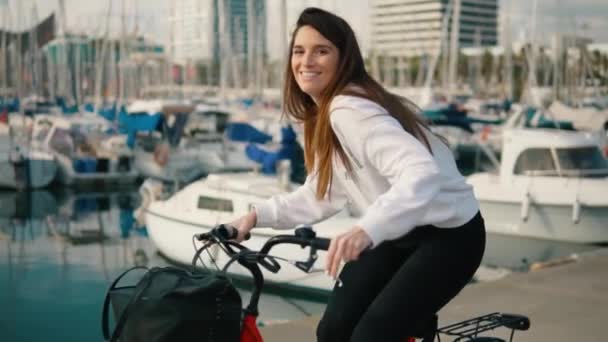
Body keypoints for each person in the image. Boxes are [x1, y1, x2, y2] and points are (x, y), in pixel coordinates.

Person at [228, 7, 486, 342]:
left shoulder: (349, 109)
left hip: (449, 235)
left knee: (372, 335)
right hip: (397, 231)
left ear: (343, 59)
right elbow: (322, 194)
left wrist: (366, 228)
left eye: (322, 51)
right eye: (299, 51)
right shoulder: (324, 114)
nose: (306, 61)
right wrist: (254, 217)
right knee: (334, 331)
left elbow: (422, 170)